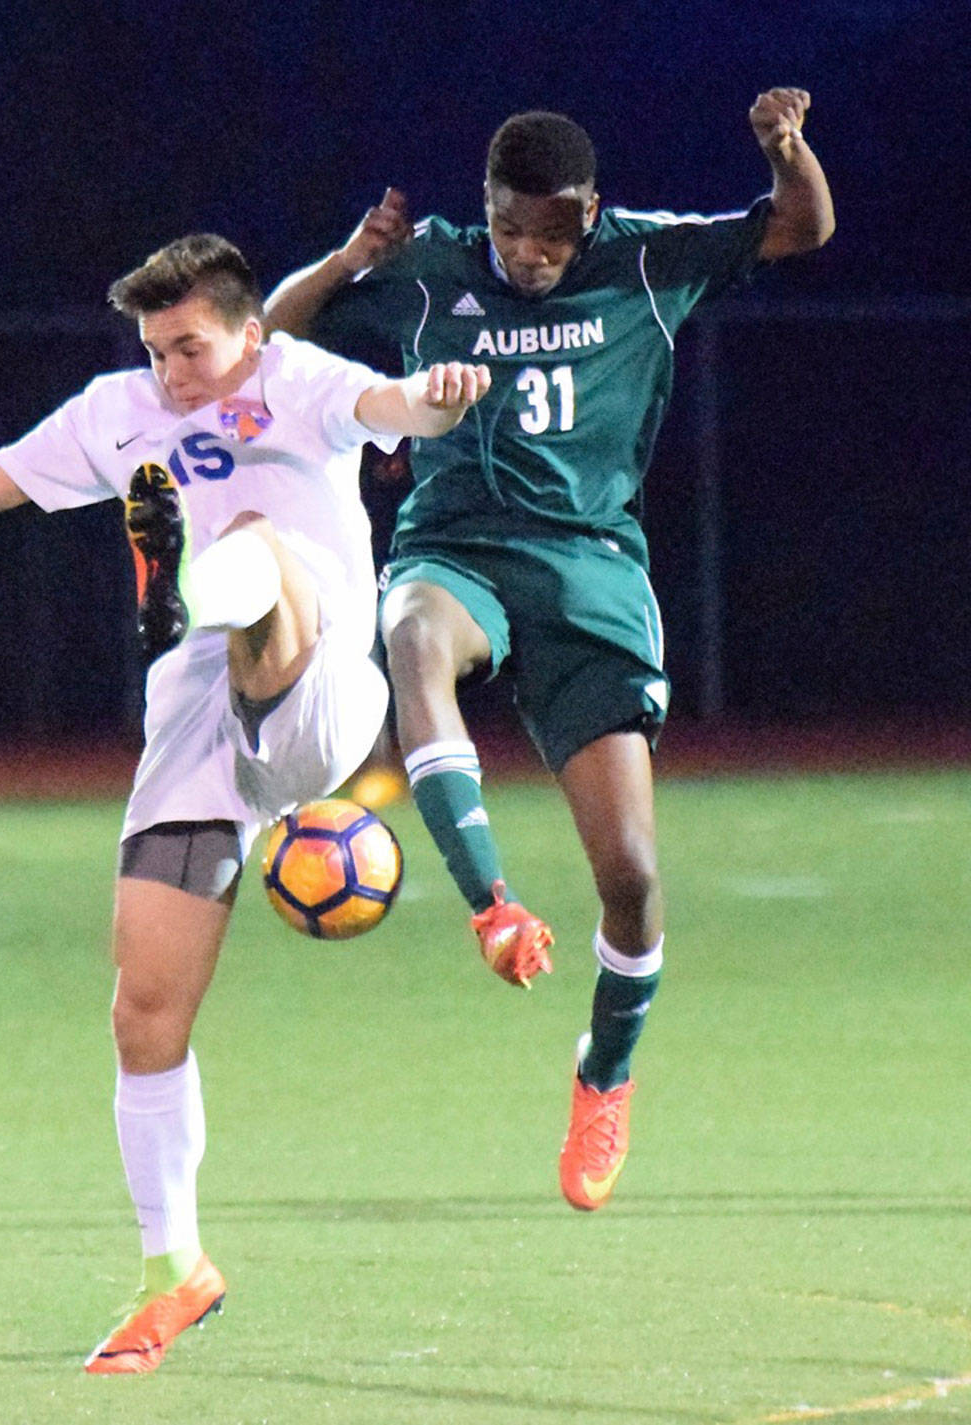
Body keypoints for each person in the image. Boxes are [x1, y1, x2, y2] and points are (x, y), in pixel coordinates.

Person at [0, 233, 490, 1374]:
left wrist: (441, 396)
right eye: (156, 353)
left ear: (249, 333)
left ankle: (190, 591)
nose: (171, 374)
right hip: (197, 722)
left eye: (190, 348)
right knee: (144, 1013)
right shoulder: (117, 412)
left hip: (318, 692)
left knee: (258, 548)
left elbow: (396, 404)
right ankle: (175, 1270)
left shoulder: (295, 381)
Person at [266, 89, 834, 1211]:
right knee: (412, 635)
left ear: (587, 211)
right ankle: (492, 907)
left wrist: (784, 149)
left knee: (629, 877)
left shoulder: (642, 261)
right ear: (485, 209)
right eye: (509, 227)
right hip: (456, 547)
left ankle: (604, 1072)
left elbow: (799, 227)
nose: (527, 253)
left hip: (587, 571)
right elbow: (275, 335)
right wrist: (343, 263)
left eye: (550, 231)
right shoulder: (430, 269)